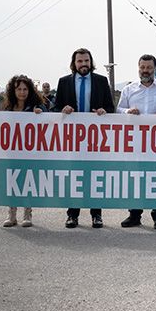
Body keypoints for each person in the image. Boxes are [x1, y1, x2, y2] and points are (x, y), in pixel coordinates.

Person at [54, 48, 115, 229]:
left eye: (86, 61)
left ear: (91, 62)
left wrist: (104, 111)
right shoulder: (64, 82)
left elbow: (110, 107)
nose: (83, 64)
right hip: (72, 139)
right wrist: (63, 109)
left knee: (95, 176)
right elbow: (55, 107)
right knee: (74, 177)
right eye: (80, 61)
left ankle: (96, 215)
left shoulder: (101, 81)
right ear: (74, 63)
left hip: (95, 139)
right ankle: (72, 215)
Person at [117, 54, 156, 229]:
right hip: (135, 143)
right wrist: (127, 111)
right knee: (136, 179)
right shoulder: (129, 90)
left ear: (154, 69)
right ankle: (134, 215)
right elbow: (119, 109)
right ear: (138, 68)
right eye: (142, 67)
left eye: (149, 67)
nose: (145, 71)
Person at [0, 75, 46, 228]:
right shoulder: (8, 108)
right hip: (12, 152)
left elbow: (48, 115)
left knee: (28, 182)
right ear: (13, 91)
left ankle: (27, 214)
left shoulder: (35, 106)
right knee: (12, 182)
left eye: (25, 89)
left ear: (29, 90)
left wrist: (40, 112)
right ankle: (12, 214)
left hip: (30, 152)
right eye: (19, 89)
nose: (22, 92)